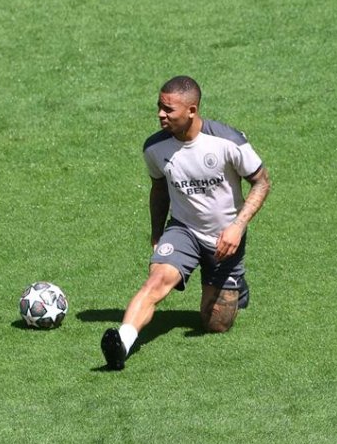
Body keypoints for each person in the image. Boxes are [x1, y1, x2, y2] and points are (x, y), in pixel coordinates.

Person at [101, 75, 271, 370]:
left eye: (169, 110)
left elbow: (261, 183)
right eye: (159, 107)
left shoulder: (228, 141)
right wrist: (157, 233)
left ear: (192, 110)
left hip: (225, 238)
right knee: (156, 281)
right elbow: (158, 190)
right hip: (183, 230)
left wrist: (238, 225)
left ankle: (236, 285)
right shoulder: (155, 149)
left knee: (215, 323)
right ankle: (122, 344)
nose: (160, 115)